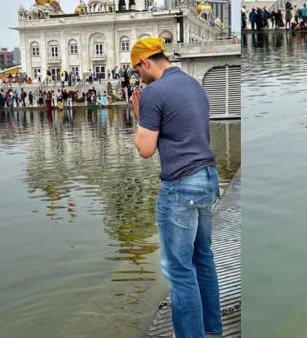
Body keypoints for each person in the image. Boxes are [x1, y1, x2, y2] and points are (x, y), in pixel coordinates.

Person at [129, 37, 222, 338]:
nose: (138, 77)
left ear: (146, 62)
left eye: (136, 70)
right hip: (208, 178)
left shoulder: (154, 92)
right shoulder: (194, 84)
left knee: (180, 270)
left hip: (181, 185)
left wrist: (138, 115)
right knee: (202, 258)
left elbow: (145, 149)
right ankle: (212, 330)